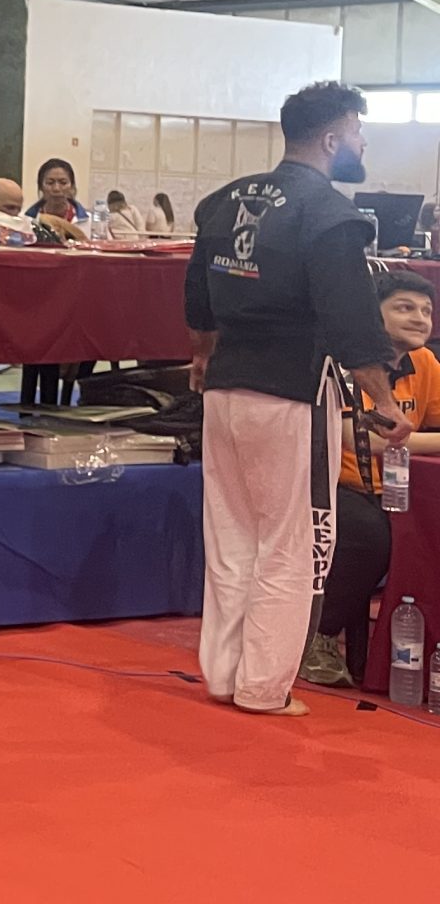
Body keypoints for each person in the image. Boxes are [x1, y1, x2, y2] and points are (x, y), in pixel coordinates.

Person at [186, 81, 409, 717]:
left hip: (226, 387)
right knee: (293, 540)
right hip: (290, 393)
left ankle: (224, 674)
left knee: (232, 535)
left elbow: (197, 299)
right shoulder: (329, 215)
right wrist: (383, 399)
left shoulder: (223, 202)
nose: (363, 143)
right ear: (332, 139)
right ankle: (263, 687)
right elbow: (350, 318)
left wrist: (203, 357)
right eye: (358, 132)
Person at [306, 271, 440, 688]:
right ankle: (318, 635)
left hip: (401, 489)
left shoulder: (424, 362)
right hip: (336, 485)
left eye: (426, 311)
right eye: (404, 307)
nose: (419, 318)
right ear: (372, 314)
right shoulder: (348, 364)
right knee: (372, 537)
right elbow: (360, 438)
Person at [26, 159, 87, 243]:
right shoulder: (26, 220)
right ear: (41, 187)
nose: (56, 189)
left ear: (72, 186)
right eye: (50, 183)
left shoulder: (88, 222)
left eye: (63, 183)